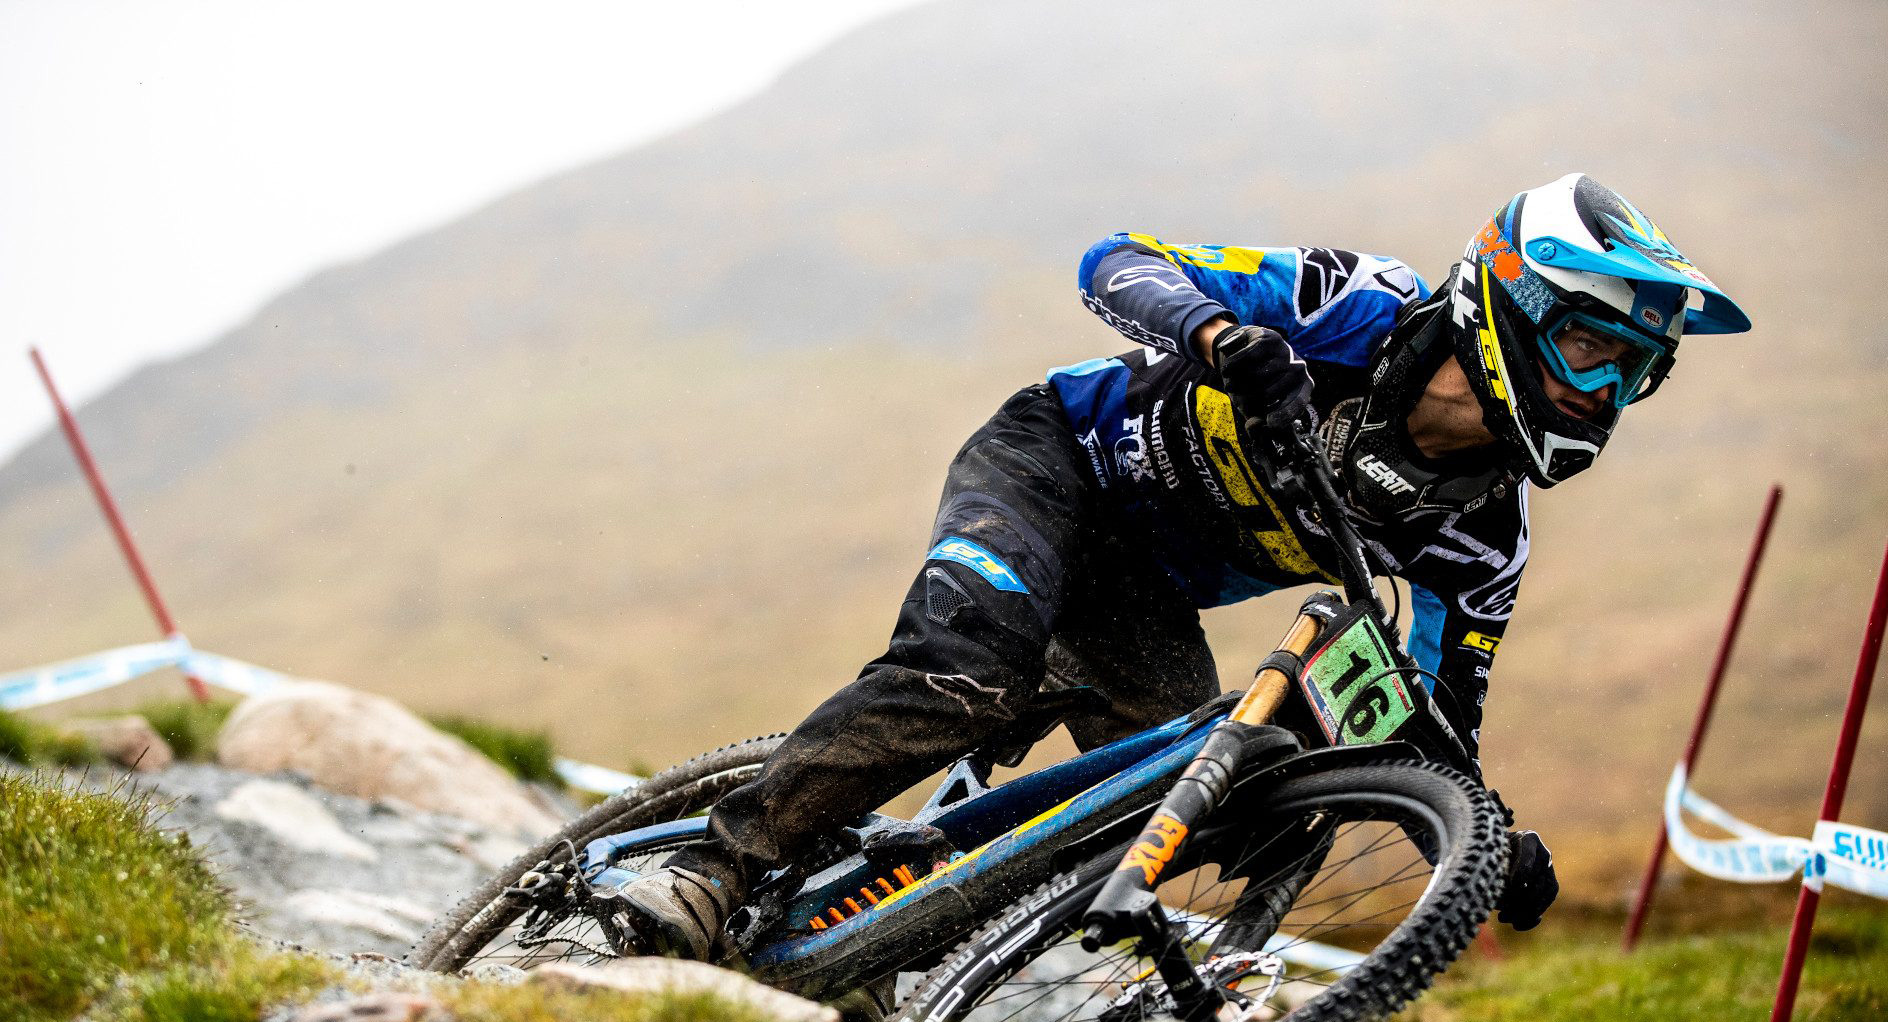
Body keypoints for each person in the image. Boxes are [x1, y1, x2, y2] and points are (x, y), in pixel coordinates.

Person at [609, 173, 1752, 961]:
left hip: (1138, 594)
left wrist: (1486, 837)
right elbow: (1116, 261)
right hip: (1052, 466)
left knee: (1199, 800)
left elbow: (1435, 722)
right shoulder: (1358, 307)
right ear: (1510, 302)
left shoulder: (1480, 536)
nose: (1602, 395)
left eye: (1632, 372)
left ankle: (875, 944)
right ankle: (715, 867)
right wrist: (1218, 336)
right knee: (965, 672)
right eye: (1589, 348)